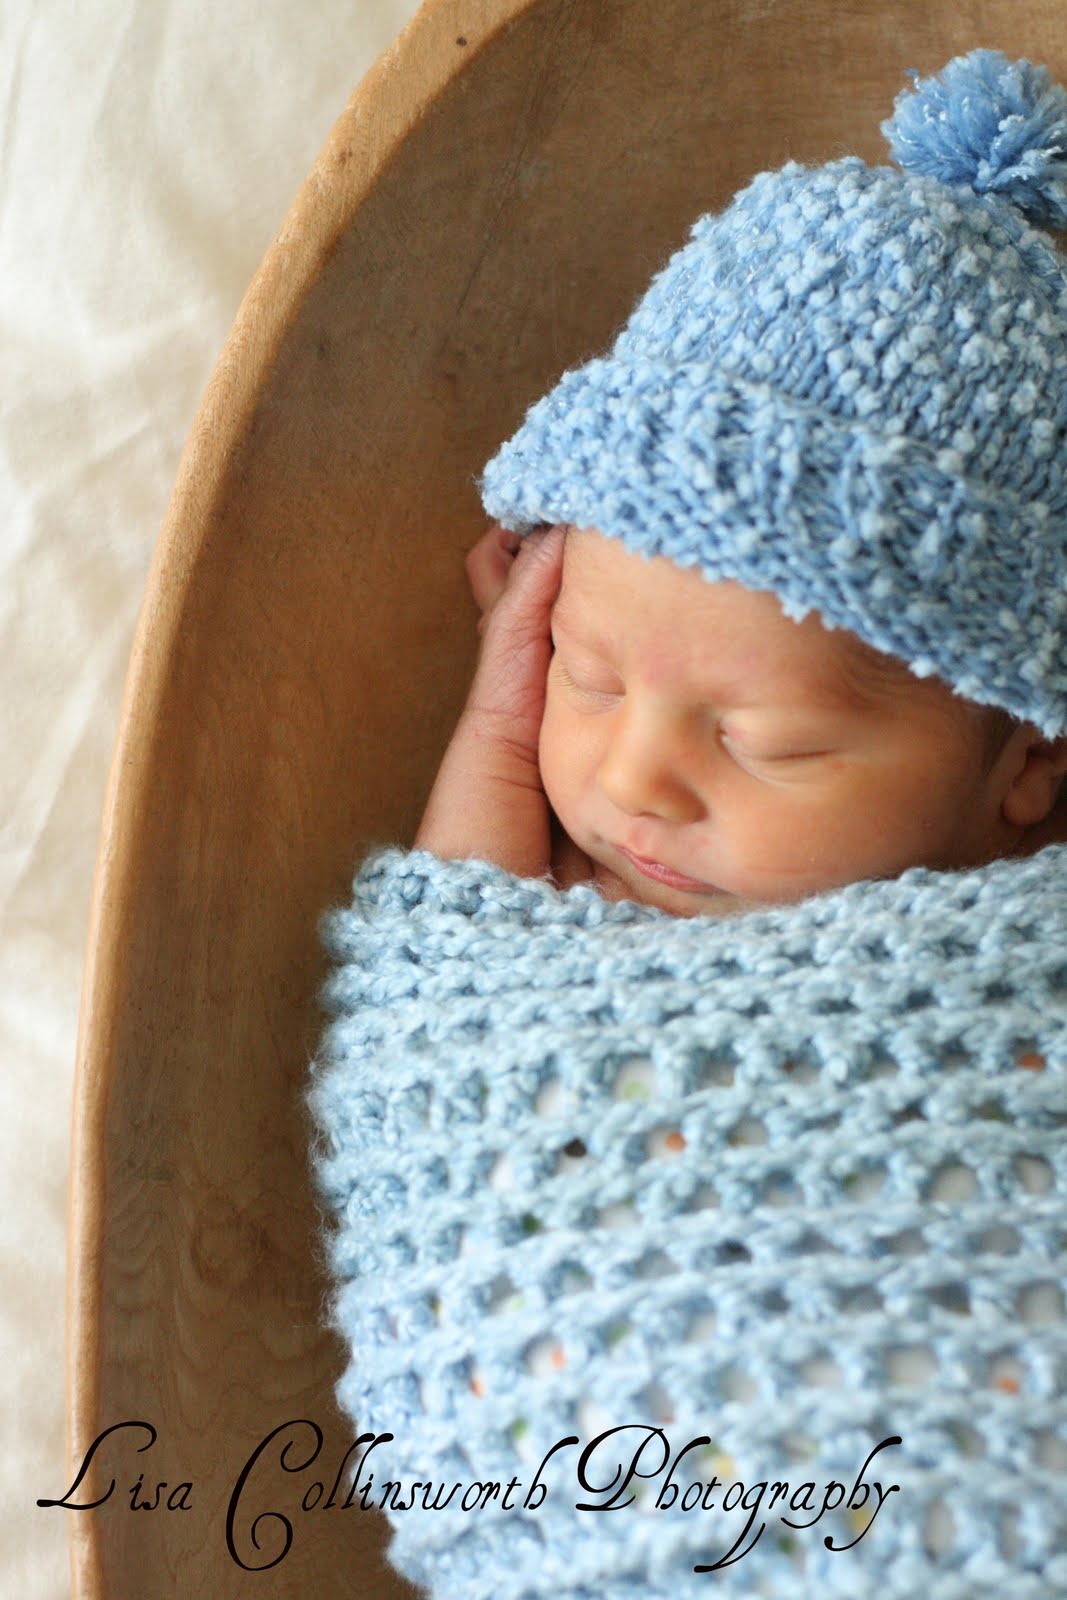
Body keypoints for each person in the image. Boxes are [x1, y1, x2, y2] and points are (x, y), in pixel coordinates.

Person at [415, 48, 1067, 918]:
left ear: (1031, 760)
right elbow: (444, 960)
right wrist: (498, 723)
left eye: (767, 745)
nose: (631, 780)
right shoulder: (558, 891)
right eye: (590, 680)